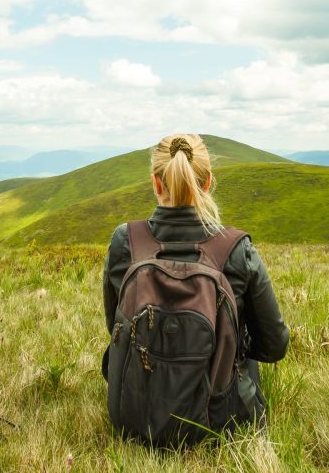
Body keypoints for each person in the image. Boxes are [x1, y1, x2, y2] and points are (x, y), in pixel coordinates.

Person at [101, 133, 289, 434]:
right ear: (207, 182)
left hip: (134, 418)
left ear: (156, 183)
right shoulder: (236, 249)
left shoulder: (125, 242)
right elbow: (274, 345)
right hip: (222, 420)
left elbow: (116, 328)